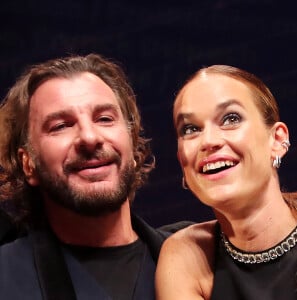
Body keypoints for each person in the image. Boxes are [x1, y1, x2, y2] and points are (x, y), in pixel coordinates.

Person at [0, 53, 190, 300]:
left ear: (132, 145)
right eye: (61, 126)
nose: (89, 138)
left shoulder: (203, 259)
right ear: (28, 164)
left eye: (104, 119)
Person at [155, 65, 297, 299]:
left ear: (276, 140)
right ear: (182, 161)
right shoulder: (187, 255)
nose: (208, 141)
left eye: (231, 119)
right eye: (191, 129)